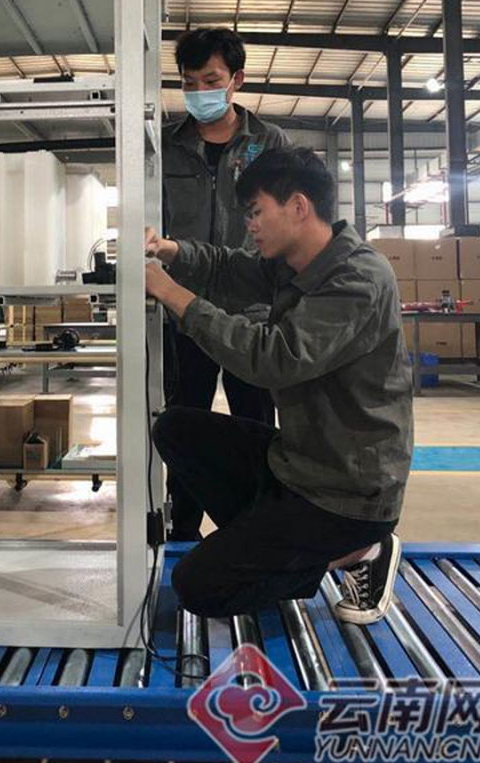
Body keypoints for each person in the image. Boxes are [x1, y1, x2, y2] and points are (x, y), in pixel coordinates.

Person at [144, 146, 413, 624]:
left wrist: (171, 293)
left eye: (255, 212)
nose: (250, 225)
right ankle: (272, 543)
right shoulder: (296, 265)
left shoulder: (357, 279)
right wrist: (171, 251)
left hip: (347, 493)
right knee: (177, 429)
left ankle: (359, 552)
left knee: (199, 587)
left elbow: (273, 358)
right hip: (301, 464)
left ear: (298, 206)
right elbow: (229, 268)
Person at [162, 27, 288, 542]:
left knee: (256, 429)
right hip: (182, 311)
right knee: (183, 427)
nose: (199, 92)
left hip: (251, 315)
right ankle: (182, 532)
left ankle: (256, 532)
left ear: (237, 79)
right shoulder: (164, 145)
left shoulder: (269, 143)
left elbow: (286, 224)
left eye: (211, 80)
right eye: (189, 82)